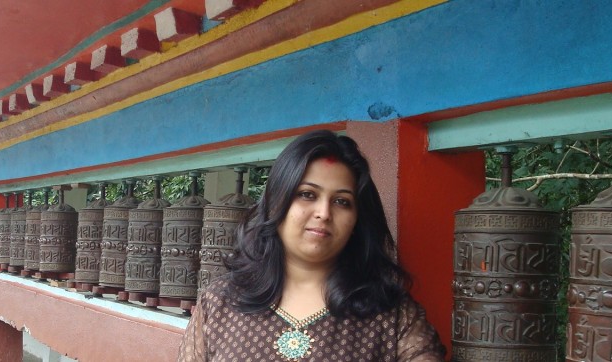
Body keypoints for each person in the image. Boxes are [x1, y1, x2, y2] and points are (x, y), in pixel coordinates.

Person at [178, 130, 445, 361]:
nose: (324, 213)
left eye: (342, 201)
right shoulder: (221, 303)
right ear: (276, 202)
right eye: (307, 195)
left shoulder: (392, 315)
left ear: (357, 220)